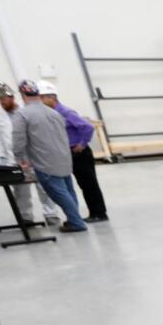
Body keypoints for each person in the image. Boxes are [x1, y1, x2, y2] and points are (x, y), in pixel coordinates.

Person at [10, 80, 86, 233]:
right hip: (64, 158)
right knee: (68, 191)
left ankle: (77, 223)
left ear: (22, 94)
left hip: (45, 162)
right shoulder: (54, 112)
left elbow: (18, 139)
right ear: (37, 93)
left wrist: (20, 159)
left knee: (58, 193)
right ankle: (73, 219)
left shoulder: (23, 114)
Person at [0, 81, 63, 225]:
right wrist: (3, 160)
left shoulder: (26, 111)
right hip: (14, 159)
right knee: (20, 191)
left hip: (35, 156)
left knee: (43, 186)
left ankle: (51, 214)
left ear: (12, 97)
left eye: (4, 98)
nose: (2, 102)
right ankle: (26, 217)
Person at [39, 81, 109, 222]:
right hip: (68, 153)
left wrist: (82, 144)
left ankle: (99, 213)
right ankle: (88, 213)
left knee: (88, 184)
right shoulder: (52, 113)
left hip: (79, 154)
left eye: (42, 98)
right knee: (79, 184)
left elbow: (87, 127)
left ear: (51, 97)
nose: (40, 101)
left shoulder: (65, 112)